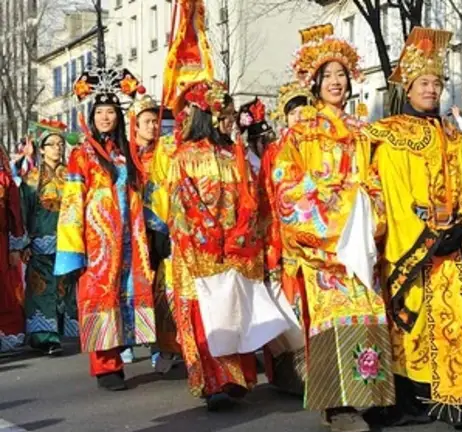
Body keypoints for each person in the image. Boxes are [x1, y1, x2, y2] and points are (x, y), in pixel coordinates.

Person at [365, 27, 462, 432]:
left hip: (454, 249)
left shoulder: (453, 136)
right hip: (414, 249)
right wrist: (425, 235)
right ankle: (413, 398)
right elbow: (392, 195)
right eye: (423, 83)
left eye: (436, 83)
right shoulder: (390, 136)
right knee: (412, 328)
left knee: (459, 325)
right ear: (408, 89)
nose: (431, 90)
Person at [273, 23, 395, 432]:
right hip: (325, 245)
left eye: (342, 74)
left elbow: (378, 180)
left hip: (360, 240)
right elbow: (287, 189)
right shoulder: (301, 132)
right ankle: (336, 404)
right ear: (315, 82)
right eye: (329, 76)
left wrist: (370, 210)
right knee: (332, 319)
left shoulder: (364, 131)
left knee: (367, 314)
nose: (337, 82)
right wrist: (340, 208)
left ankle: (368, 395)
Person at [167, 79, 289, 409]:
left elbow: (254, 198)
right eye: (224, 116)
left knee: (234, 308)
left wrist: (244, 232)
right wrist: (211, 237)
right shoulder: (185, 156)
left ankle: (238, 377)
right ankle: (213, 381)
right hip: (200, 248)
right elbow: (182, 205)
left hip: (236, 246)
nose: (230, 122)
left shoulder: (234, 154)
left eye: (232, 116)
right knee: (206, 312)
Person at [55, 67, 156, 391]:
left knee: (125, 295)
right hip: (97, 241)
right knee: (100, 296)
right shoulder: (81, 154)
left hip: (129, 236)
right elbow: (72, 202)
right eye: (99, 112)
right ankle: (105, 365)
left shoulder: (125, 152)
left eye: (111, 111)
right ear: (91, 115)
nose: (105, 117)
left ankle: (123, 351)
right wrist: (73, 250)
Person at [260, 81, 314, 396]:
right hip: (285, 239)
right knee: (288, 307)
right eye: (293, 112)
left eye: (304, 110)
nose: (299, 117)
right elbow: (267, 198)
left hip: (318, 238)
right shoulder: (274, 152)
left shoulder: (321, 144)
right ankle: (291, 373)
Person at [127, 95, 182, 371]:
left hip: (161, 228)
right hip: (135, 231)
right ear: (134, 126)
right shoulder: (127, 157)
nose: (153, 127)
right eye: (147, 122)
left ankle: (168, 344)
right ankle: (133, 340)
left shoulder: (164, 152)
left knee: (165, 286)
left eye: (155, 122)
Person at [19, 120, 78, 356]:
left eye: (60, 144)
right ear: (41, 149)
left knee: (65, 288)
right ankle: (44, 336)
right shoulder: (32, 180)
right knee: (41, 289)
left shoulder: (72, 176)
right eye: (51, 144)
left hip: (68, 241)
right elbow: (23, 210)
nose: (56, 148)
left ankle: (64, 331)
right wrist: (23, 242)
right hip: (40, 241)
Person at [0, 149, 26, 353]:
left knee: (5, 289)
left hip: (1, 243)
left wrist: (16, 245)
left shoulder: (4, 178)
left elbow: (14, 212)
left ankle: (6, 332)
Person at [238, 97, 275, 175]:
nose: (266, 146)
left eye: (268, 141)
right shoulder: (245, 159)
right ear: (252, 143)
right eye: (262, 141)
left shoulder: (272, 157)